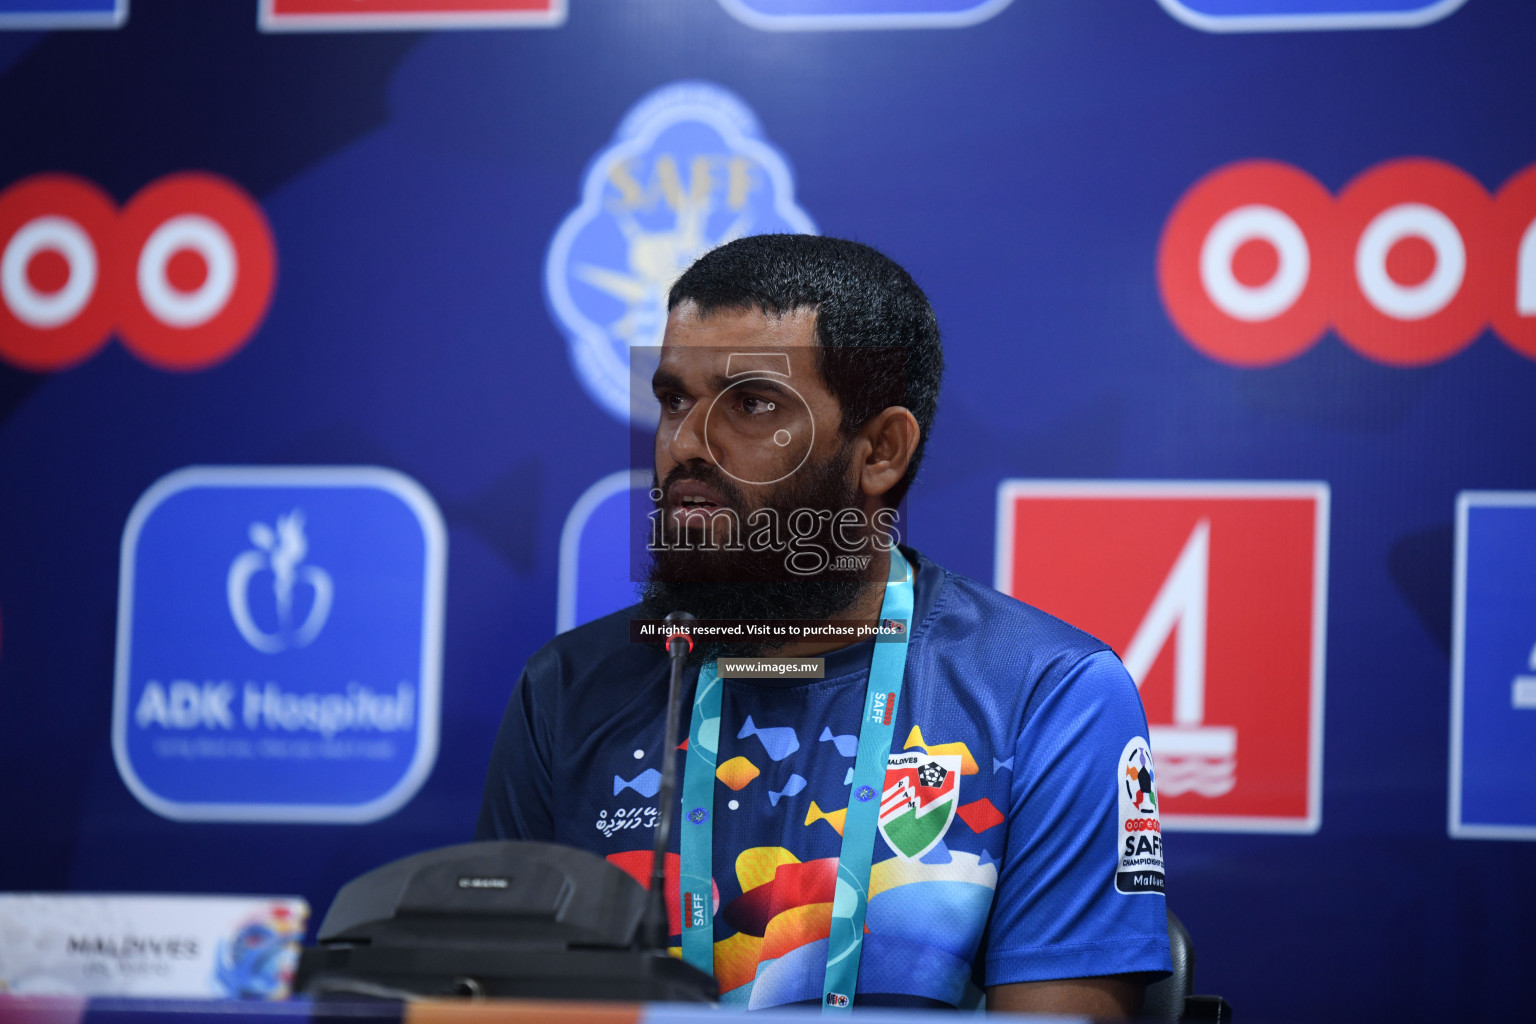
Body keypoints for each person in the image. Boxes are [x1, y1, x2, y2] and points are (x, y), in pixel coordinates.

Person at [477, 234, 1172, 1014]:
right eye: (674, 398)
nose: (682, 446)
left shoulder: (1050, 695)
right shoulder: (568, 688)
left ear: (880, 451)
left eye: (752, 404)